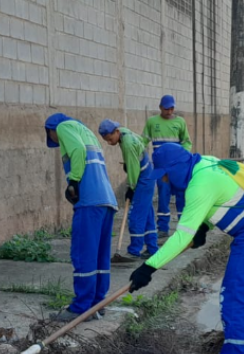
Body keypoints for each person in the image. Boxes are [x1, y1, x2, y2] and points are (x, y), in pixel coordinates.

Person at [128, 143, 244, 354]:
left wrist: (148, 267)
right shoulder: (204, 164)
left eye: (165, 175)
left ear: (176, 168)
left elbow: (181, 237)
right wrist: (204, 227)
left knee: (237, 295)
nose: (164, 181)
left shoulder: (200, 183)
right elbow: (221, 200)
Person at [45, 114, 118, 321]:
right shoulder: (87, 132)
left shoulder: (63, 127)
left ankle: (80, 308)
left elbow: (77, 150)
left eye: (51, 136)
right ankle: (97, 304)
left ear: (51, 130)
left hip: (89, 202)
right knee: (100, 257)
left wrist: (74, 181)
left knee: (83, 254)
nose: (55, 140)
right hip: (106, 201)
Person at [99, 119, 158, 260]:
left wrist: (130, 187)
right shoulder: (124, 132)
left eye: (110, 139)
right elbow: (136, 153)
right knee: (146, 213)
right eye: (106, 140)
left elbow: (133, 168)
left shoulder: (127, 144)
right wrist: (128, 162)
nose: (109, 143)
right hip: (148, 173)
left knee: (136, 215)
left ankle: (134, 251)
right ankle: (152, 248)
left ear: (116, 131)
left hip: (143, 178)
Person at [144, 95, 192, 236]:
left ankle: (183, 227)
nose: (169, 111)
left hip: (177, 167)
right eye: (166, 109)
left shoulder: (180, 122)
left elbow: (187, 142)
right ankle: (163, 228)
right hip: (161, 168)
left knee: (181, 195)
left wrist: (182, 157)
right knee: (163, 195)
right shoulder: (152, 122)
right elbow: (143, 141)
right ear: (160, 107)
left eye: (171, 108)